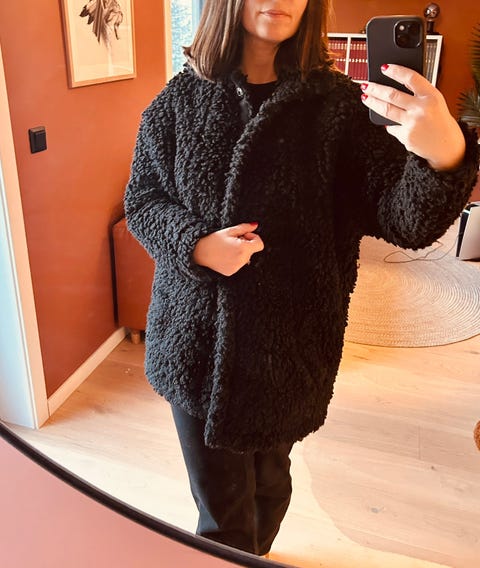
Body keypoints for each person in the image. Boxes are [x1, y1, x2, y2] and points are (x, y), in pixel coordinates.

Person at [124, 0, 479, 557]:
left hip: (290, 348)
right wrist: (196, 245)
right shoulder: (177, 103)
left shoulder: (338, 108)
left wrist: (444, 155)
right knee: (220, 513)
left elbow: (403, 219)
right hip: (194, 346)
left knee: (272, 484)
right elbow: (143, 201)